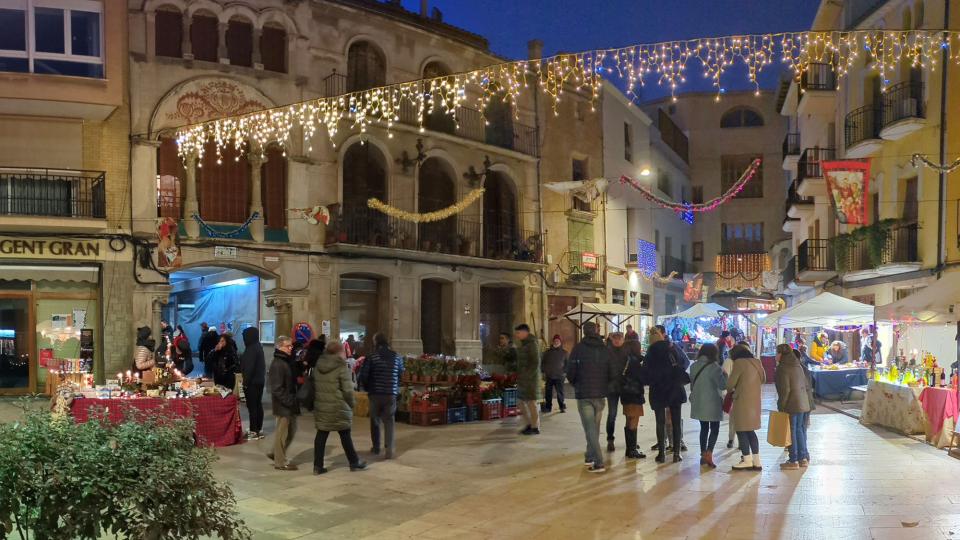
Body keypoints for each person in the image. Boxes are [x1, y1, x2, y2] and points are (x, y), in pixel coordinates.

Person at [313, 341, 367, 474]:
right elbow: (348, 390)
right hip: (338, 406)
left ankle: (317, 466)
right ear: (340, 352)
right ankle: (354, 462)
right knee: (345, 434)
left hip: (322, 405)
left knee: (321, 434)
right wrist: (353, 404)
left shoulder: (319, 364)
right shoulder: (341, 366)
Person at [566, 321, 612, 473]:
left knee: (590, 429)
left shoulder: (578, 349)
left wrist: (575, 383)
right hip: (600, 395)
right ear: (596, 331)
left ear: (584, 332)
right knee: (594, 427)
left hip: (585, 393)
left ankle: (599, 462)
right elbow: (611, 371)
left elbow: (570, 370)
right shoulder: (605, 349)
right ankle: (589, 455)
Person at [644, 326, 687, 464]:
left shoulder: (650, 352)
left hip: (658, 389)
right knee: (675, 421)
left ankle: (661, 454)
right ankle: (676, 453)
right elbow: (684, 363)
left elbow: (646, 373)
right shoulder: (672, 347)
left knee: (660, 422)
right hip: (674, 387)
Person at [358, 333, 404, 458]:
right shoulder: (397, 357)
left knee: (375, 420)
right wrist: (395, 386)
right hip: (391, 393)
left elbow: (364, 375)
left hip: (375, 393)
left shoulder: (372, 357)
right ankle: (389, 450)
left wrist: (367, 388)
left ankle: (376, 447)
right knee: (389, 421)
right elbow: (401, 374)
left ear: (376, 342)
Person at [727, 344, 766, 471]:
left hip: (742, 400)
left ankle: (747, 460)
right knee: (751, 430)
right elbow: (764, 379)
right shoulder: (757, 361)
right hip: (755, 401)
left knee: (741, 429)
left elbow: (730, 384)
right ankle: (757, 461)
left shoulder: (739, 363)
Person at [774, 344, 812, 470]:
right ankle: (803, 459)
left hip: (791, 404)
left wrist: (781, 406)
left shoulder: (782, 368)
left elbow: (785, 390)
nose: (775, 355)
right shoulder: (798, 366)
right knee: (799, 430)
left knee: (792, 431)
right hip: (803, 403)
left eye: (777, 353)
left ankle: (793, 460)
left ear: (781, 354)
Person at [689, 343, 727, 469]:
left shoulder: (694, 366)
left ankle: (703, 454)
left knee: (703, 428)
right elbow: (722, 385)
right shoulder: (715, 367)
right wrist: (725, 375)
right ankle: (709, 453)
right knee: (714, 428)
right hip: (713, 403)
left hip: (699, 402)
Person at [268, 336, 299, 471]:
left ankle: (276, 453)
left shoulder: (285, 361)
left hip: (288, 403)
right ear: (279, 347)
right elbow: (276, 388)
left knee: (291, 430)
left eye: (291, 346)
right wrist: (289, 401)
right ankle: (280, 462)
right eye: (288, 346)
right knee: (283, 433)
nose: (291, 348)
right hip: (283, 405)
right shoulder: (278, 363)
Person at [657, 324, 689, 453]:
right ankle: (665, 441)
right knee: (665, 416)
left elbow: (685, 361)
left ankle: (676, 442)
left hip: (671, 387)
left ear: (663, 334)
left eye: (657, 333)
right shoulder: (654, 349)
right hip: (663, 387)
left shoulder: (672, 346)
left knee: (672, 415)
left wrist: (675, 373)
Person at [618, 334, 646, 460]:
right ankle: (632, 450)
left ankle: (630, 447)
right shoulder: (634, 362)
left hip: (625, 393)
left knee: (629, 419)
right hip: (634, 394)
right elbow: (640, 377)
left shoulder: (624, 359)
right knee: (634, 420)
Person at [513, 324, 542, 435]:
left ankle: (535, 427)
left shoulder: (532, 344)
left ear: (525, 332)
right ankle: (529, 424)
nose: (517, 335)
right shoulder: (524, 344)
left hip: (531, 379)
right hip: (523, 379)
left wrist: (528, 376)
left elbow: (535, 362)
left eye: (518, 333)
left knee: (531, 403)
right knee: (520, 402)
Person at [240, 326, 266, 441]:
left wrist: (245, 383)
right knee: (257, 405)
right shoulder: (258, 346)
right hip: (259, 381)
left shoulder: (251, 349)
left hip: (252, 382)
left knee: (252, 407)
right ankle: (258, 429)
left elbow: (249, 368)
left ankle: (253, 431)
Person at [540, 335, 568, 413]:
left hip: (559, 376)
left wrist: (564, 372)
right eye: (555, 341)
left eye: (558, 341)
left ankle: (562, 406)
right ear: (553, 342)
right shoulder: (547, 353)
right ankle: (548, 407)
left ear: (560, 342)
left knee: (560, 392)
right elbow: (543, 363)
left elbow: (567, 364)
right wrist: (543, 371)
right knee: (548, 392)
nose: (556, 342)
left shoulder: (564, 353)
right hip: (549, 376)